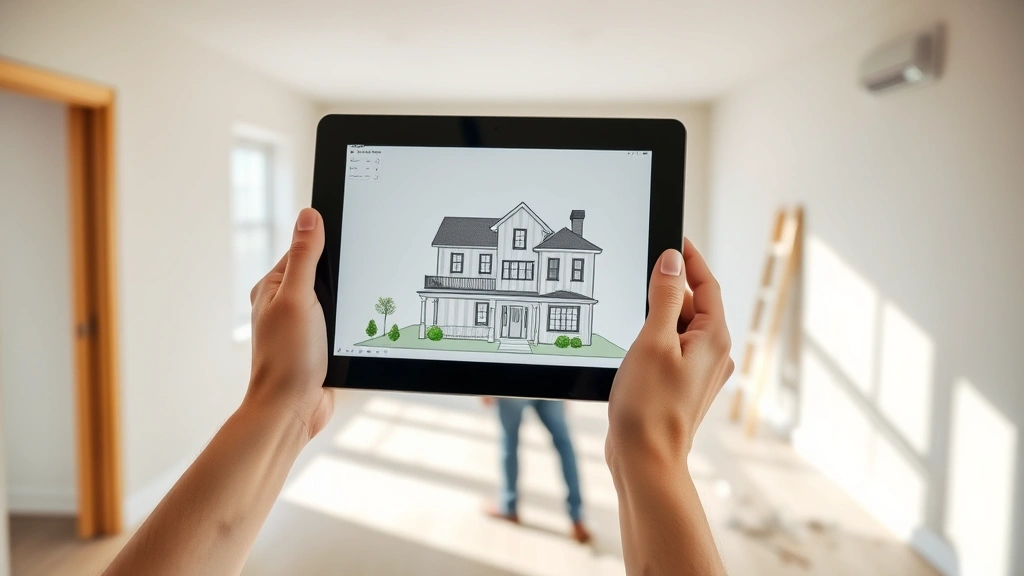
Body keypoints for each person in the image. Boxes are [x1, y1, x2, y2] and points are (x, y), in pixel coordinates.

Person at [103, 208, 734, 576]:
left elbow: (209, 535)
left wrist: (278, 400)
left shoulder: (552, 252)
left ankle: (547, 506)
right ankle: (535, 506)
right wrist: (653, 449)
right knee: (526, 443)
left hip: (538, 379)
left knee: (543, 442)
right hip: (526, 385)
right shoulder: (468, 251)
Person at [481, 396, 592, 544]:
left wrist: (486, 388)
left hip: (513, 379)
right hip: (550, 380)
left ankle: (509, 507)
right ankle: (577, 519)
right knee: (564, 443)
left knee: (509, 440)